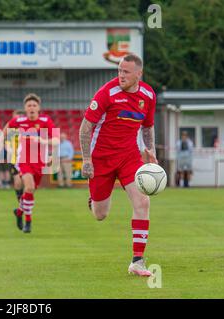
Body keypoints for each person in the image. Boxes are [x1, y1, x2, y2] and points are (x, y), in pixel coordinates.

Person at [79, 54, 157, 276]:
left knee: (143, 201)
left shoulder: (149, 95)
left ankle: (137, 261)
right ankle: (94, 200)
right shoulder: (107, 93)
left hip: (129, 157)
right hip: (101, 159)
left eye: (126, 72)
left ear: (138, 74)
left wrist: (150, 150)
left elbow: (147, 126)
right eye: (119, 71)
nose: (121, 75)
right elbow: (85, 128)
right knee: (100, 214)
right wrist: (86, 160)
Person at [0, 94, 59, 233]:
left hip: (39, 162)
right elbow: (6, 129)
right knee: (29, 187)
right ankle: (28, 222)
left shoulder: (46, 121)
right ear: (25, 108)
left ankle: (19, 211)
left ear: (39, 108)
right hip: (24, 160)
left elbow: (56, 140)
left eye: (34, 105)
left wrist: (46, 145)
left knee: (30, 191)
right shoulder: (19, 121)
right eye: (29, 105)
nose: (31, 108)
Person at [5, 109, 26, 202]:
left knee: (25, 180)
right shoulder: (11, 130)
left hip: (26, 159)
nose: (19, 118)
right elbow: (7, 144)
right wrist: (12, 151)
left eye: (21, 116)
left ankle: (24, 199)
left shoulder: (28, 128)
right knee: (17, 179)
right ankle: (20, 199)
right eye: (17, 116)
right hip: (14, 158)